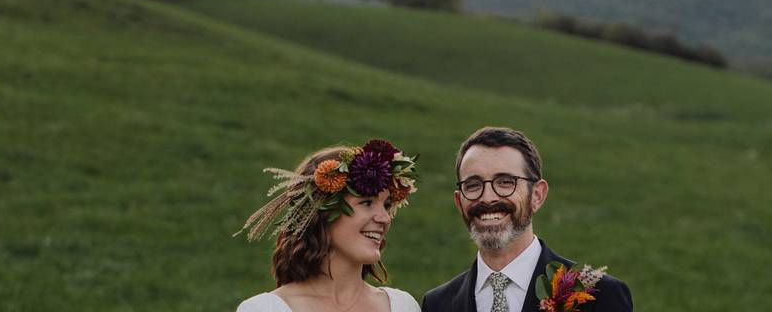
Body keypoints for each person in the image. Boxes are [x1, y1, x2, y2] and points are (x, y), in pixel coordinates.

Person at [421, 127, 632, 312]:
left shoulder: (599, 296)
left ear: (537, 195)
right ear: (459, 202)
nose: (487, 198)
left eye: (505, 182)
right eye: (473, 185)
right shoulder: (437, 304)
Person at [236, 139, 421, 312]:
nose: (385, 218)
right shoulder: (264, 309)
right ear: (321, 211)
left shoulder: (402, 306)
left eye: (387, 205)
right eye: (367, 202)